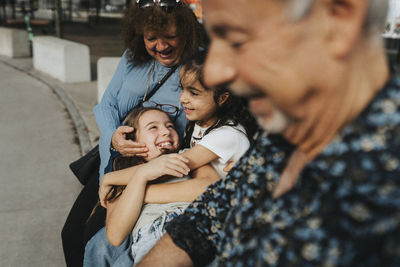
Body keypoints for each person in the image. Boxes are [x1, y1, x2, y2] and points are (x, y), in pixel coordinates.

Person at [138, 0, 400, 266]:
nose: (216, 73)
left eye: (238, 41)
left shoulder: (385, 187)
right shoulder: (290, 128)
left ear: (340, 17)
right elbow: (202, 224)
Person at [61, 1, 207, 266]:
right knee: (72, 234)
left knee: (113, 246)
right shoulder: (132, 57)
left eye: (170, 36)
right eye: (151, 38)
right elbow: (106, 105)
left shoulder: (200, 64)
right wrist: (113, 136)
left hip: (160, 170)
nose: (161, 46)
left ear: (186, 31)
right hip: (113, 164)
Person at [83, 51, 258, 266]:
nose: (165, 132)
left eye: (169, 126)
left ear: (222, 99)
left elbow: (208, 186)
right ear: (134, 139)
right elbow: (116, 236)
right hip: (150, 236)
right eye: (153, 128)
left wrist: (129, 189)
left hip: (197, 225)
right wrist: (139, 176)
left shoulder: (194, 152)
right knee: (98, 247)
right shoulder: (125, 170)